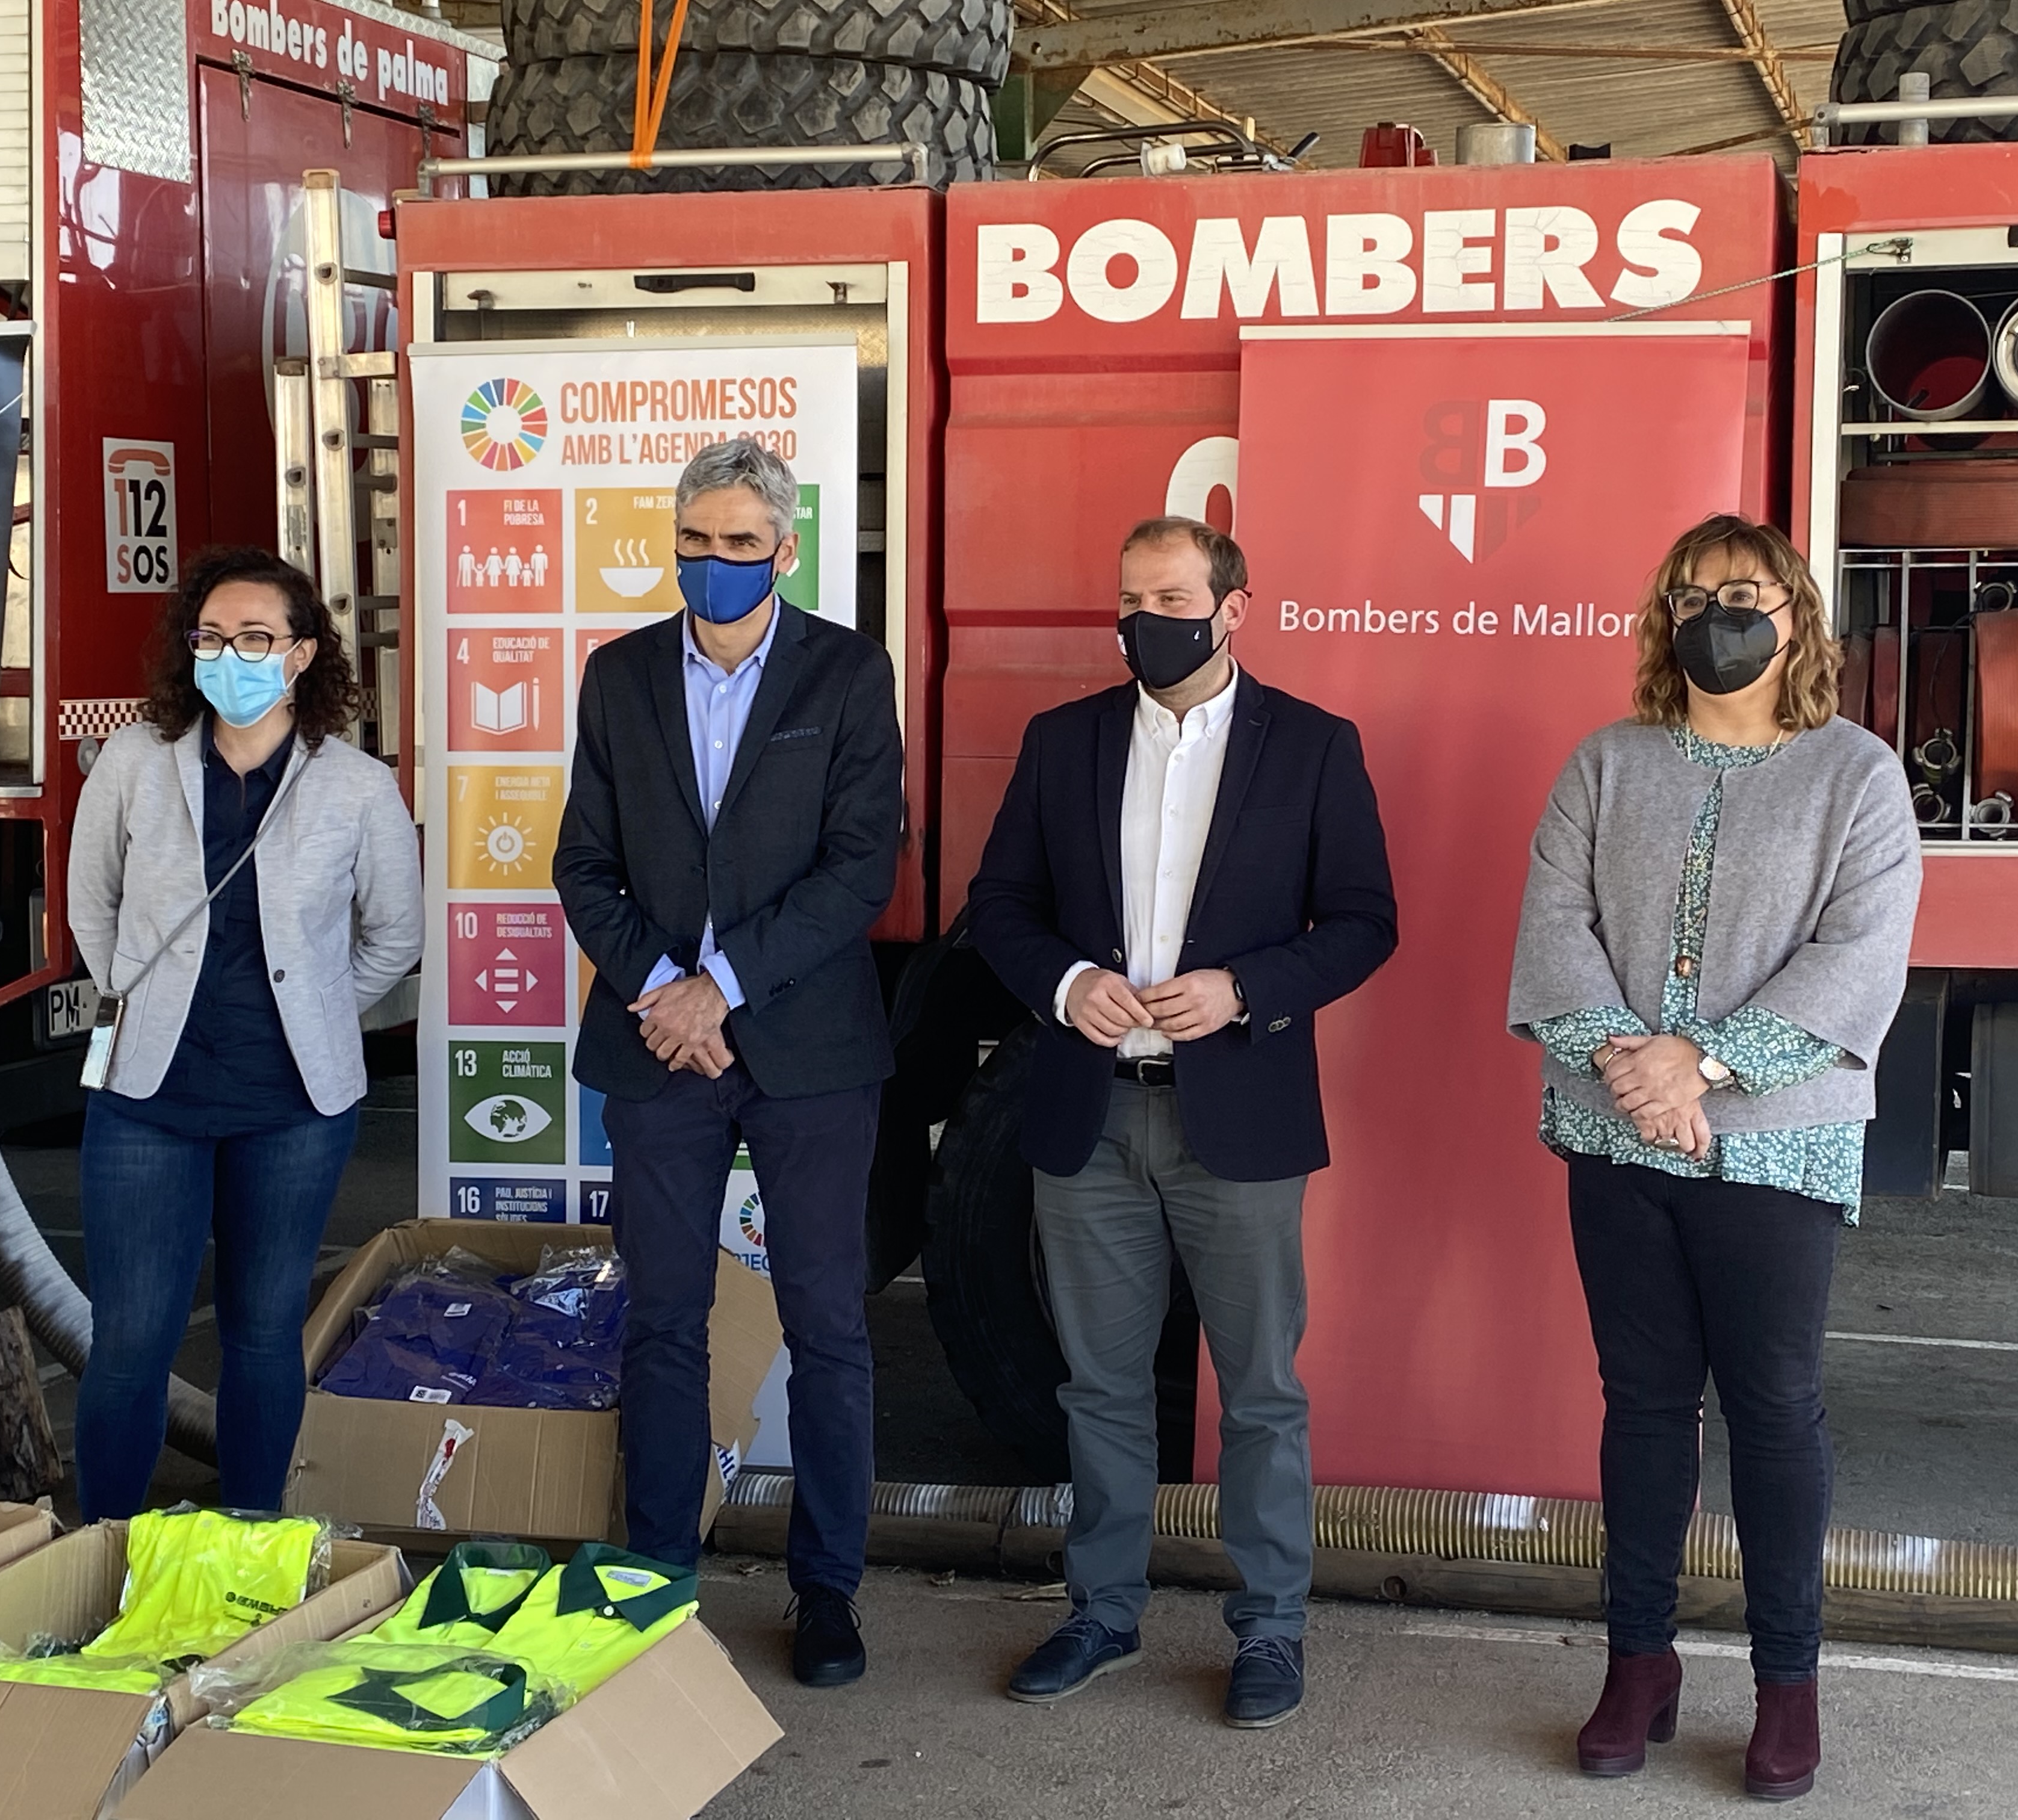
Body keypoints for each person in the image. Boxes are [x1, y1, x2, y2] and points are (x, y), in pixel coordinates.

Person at [1507, 515, 1920, 1802]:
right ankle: (1640, 1664)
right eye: (1691, 595)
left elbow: (1860, 951)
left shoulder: (1856, 775)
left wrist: (1708, 1064)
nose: (1717, 615)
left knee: (1774, 1412)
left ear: (1794, 616)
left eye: (1743, 594)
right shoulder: (1606, 763)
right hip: (1615, 1130)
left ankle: (1787, 1685)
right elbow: (1555, 918)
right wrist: (1637, 1065)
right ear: (1663, 621)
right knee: (1641, 1408)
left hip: (1778, 1142)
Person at [969, 516, 1397, 1730]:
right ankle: (1102, 1613)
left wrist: (1244, 990)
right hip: (1088, 1111)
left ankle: (1270, 1631)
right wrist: (1065, 984)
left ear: (1232, 608)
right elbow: (996, 905)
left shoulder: (1313, 747)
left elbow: (1364, 922)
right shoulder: (1064, 744)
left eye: (1167, 594)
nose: (1142, 618)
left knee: (1260, 1390)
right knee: (1100, 1389)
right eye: (1128, 596)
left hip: (1240, 1116)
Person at [554, 436, 901, 1689]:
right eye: (694, 542)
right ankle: (658, 1587)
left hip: (806, 1050)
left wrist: (725, 983)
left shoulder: (851, 675)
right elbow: (580, 862)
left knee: (826, 1325)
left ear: (786, 550)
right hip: (660, 1052)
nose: (712, 565)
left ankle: (828, 1596)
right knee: (661, 1324)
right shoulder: (619, 676)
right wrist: (665, 992)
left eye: (739, 544)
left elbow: (862, 865)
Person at [67, 546, 422, 1520]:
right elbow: (89, 906)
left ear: (303, 653)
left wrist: (312, 1008)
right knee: (132, 1338)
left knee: (265, 1334)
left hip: (294, 1106)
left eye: (257, 637)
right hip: (148, 1094)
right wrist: (135, 998)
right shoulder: (137, 762)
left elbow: (396, 931)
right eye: (214, 637)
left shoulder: (355, 785)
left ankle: (248, 1546)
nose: (233, 655)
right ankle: (104, 1546)